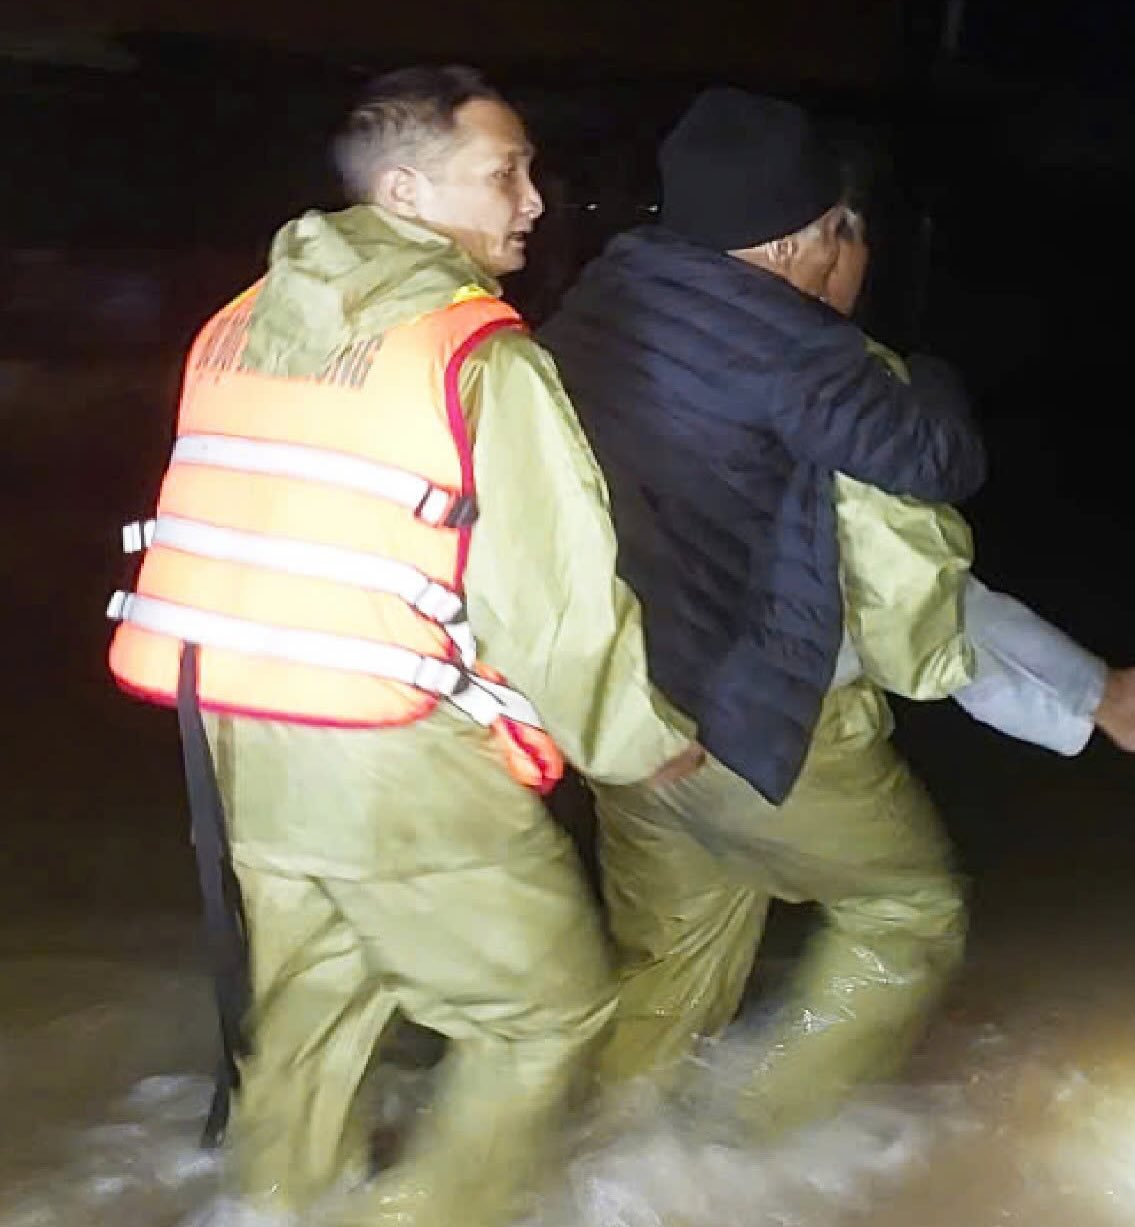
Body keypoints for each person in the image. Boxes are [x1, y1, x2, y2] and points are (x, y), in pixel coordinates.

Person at [539, 87, 1135, 1139]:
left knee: (669, 967)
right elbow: (929, 523)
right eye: (844, 230)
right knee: (907, 912)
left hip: (626, 721)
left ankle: (602, 1164)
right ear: (798, 241)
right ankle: (743, 1145)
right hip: (762, 733)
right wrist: (925, 373)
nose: (853, 252)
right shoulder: (812, 362)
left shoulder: (599, 305)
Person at [106, 66, 695, 1227]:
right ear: (407, 191)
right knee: (545, 1013)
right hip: (389, 744)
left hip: (237, 729)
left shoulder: (239, 321)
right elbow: (552, 599)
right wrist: (637, 743)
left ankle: (273, 1206)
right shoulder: (476, 352)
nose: (535, 199)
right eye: (505, 173)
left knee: (315, 1010)